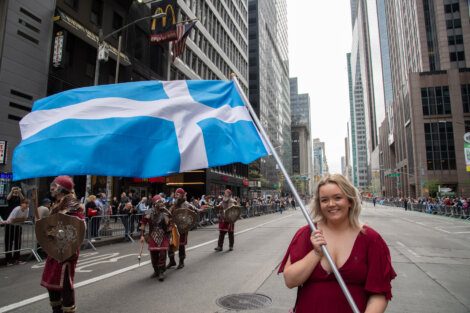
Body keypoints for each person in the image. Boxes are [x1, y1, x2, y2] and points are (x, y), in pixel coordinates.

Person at [279, 174, 396, 313]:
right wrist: (316, 253)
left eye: (338, 198)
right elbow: (290, 281)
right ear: (319, 204)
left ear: (350, 201)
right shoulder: (306, 234)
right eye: (324, 200)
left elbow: (379, 293)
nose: (331, 204)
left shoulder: (371, 239)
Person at [41, 176, 85, 313]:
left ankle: (67, 310)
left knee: (64, 283)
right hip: (54, 249)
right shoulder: (58, 204)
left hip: (66, 250)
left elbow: (77, 226)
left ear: (61, 188)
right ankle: (56, 310)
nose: (51, 188)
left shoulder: (71, 204)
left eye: (54, 185)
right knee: (51, 282)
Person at [140, 195, 171, 281]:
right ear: (154, 203)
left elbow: (169, 224)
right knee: (153, 254)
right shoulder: (148, 212)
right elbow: (143, 224)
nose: (161, 204)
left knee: (162, 253)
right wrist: (142, 235)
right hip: (152, 235)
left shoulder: (165, 212)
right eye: (159, 202)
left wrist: (168, 222)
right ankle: (156, 270)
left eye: (161, 202)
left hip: (163, 235)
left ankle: (161, 271)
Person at [167, 188, 198, 269]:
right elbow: (169, 213)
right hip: (173, 227)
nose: (176, 195)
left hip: (182, 227)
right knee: (170, 244)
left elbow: (195, 211)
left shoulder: (187, 204)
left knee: (181, 245)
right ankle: (172, 261)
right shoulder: (174, 203)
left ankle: (181, 261)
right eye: (176, 194)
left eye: (178, 194)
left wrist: (201, 209)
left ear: (182, 195)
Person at [2, 198, 30, 265]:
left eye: (28, 204)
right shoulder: (17, 209)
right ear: (21, 204)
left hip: (18, 226)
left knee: (18, 243)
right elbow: (12, 220)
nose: (26, 205)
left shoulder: (27, 209)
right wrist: (20, 219)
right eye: (25, 203)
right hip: (10, 226)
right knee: (9, 243)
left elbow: (25, 219)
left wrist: (19, 220)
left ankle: (16, 259)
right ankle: (8, 260)